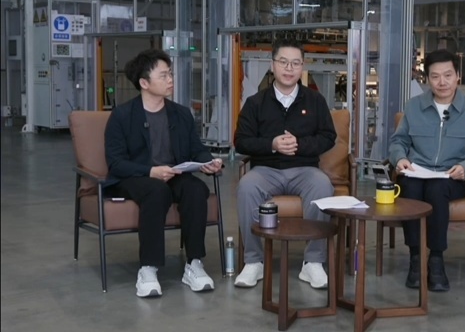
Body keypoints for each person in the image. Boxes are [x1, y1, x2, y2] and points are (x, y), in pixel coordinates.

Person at [104, 49, 223, 298]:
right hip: (136, 177)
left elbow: (196, 149)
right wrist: (150, 171)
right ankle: (148, 268)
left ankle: (194, 263)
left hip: (173, 174)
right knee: (156, 191)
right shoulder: (122, 115)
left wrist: (208, 162)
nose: (170, 80)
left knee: (196, 189)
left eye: (170, 74)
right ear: (144, 83)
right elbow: (116, 163)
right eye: (164, 75)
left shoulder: (180, 113)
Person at [388, 49, 465, 292]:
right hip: (417, 171)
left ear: (458, 76)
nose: (442, 82)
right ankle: (416, 257)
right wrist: (400, 159)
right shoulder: (414, 107)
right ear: (427, 79)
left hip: (452, 176)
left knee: (437, 189)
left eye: (448, 75)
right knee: (409, 187)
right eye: (435, 76)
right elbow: (398, 141)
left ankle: (436, 259)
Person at [234, 38, 336, 289]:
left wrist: (299, 144)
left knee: (322, 185)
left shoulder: (315, 100)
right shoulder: (255, 103)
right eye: (283, 62)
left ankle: (313, 262)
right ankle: (253, 261)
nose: (289, 68)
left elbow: (328, 137)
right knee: (247, 186)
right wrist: (272, 144)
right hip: (266, 169)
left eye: (295, 63)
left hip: (305, 170)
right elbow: (241, 141)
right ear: (272, 65)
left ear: (302, 66)